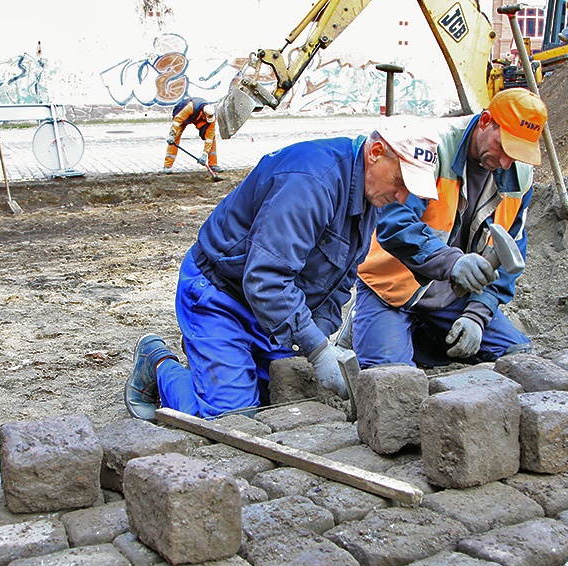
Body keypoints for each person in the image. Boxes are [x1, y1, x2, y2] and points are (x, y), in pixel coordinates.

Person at [126, 117, 441, 420]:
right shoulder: (311, 182)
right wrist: (316, 349)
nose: (402, 197)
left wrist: (318, 336)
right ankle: (157, 361)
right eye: (400, 181)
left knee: (280, 401)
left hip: (270, 309)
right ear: (375, 154)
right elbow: (266, 279)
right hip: (220, 296)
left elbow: (340, 282)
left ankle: (218, 356)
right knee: (232, 418)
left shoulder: (371, 196)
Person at [350, 88, 548, 368]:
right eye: (503, 147)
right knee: (390, 376)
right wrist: (453, 263)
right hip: (393, 286)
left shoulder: (519, 177)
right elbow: (395, 226)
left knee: (519, 357)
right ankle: (373, 330)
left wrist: (477, 315)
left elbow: (510, 254)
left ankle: (418, 340)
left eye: (516, 154)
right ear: (485, 121)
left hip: (452, 294)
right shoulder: (432, 148)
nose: (505, 162)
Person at [163, 97, 222, 173]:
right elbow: (177, 121)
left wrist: (204, 154)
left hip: (198, 119)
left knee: (212, 138)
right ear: (203, 113)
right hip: (184, 117)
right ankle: (167, 165)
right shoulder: (190, 107)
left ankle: (213, 164)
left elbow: (209, 137)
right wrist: (171, 134)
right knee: (175, 137)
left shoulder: (212, 117)